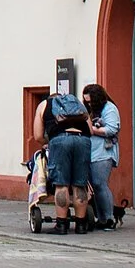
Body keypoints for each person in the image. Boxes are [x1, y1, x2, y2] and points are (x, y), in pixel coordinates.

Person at [38, 83, 95, 233]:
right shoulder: (77, 104)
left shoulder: (44, 105)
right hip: (83, 140)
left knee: (61, 184)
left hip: (59, 141)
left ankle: (62, 224)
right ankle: (81, 224)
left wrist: (49, 142)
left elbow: (38, 136)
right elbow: (90, 130)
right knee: (80, 184)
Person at [84, 82, 123, 229]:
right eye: (86, 101)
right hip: (91, 151)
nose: (88, 104)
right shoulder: (89, 110)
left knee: (100, 184)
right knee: (94, 186)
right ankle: (101, 218)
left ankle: (108, 218)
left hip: (103, 152)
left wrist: (92, 130)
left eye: (90, 101)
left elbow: (112, 129)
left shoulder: (109, 109)